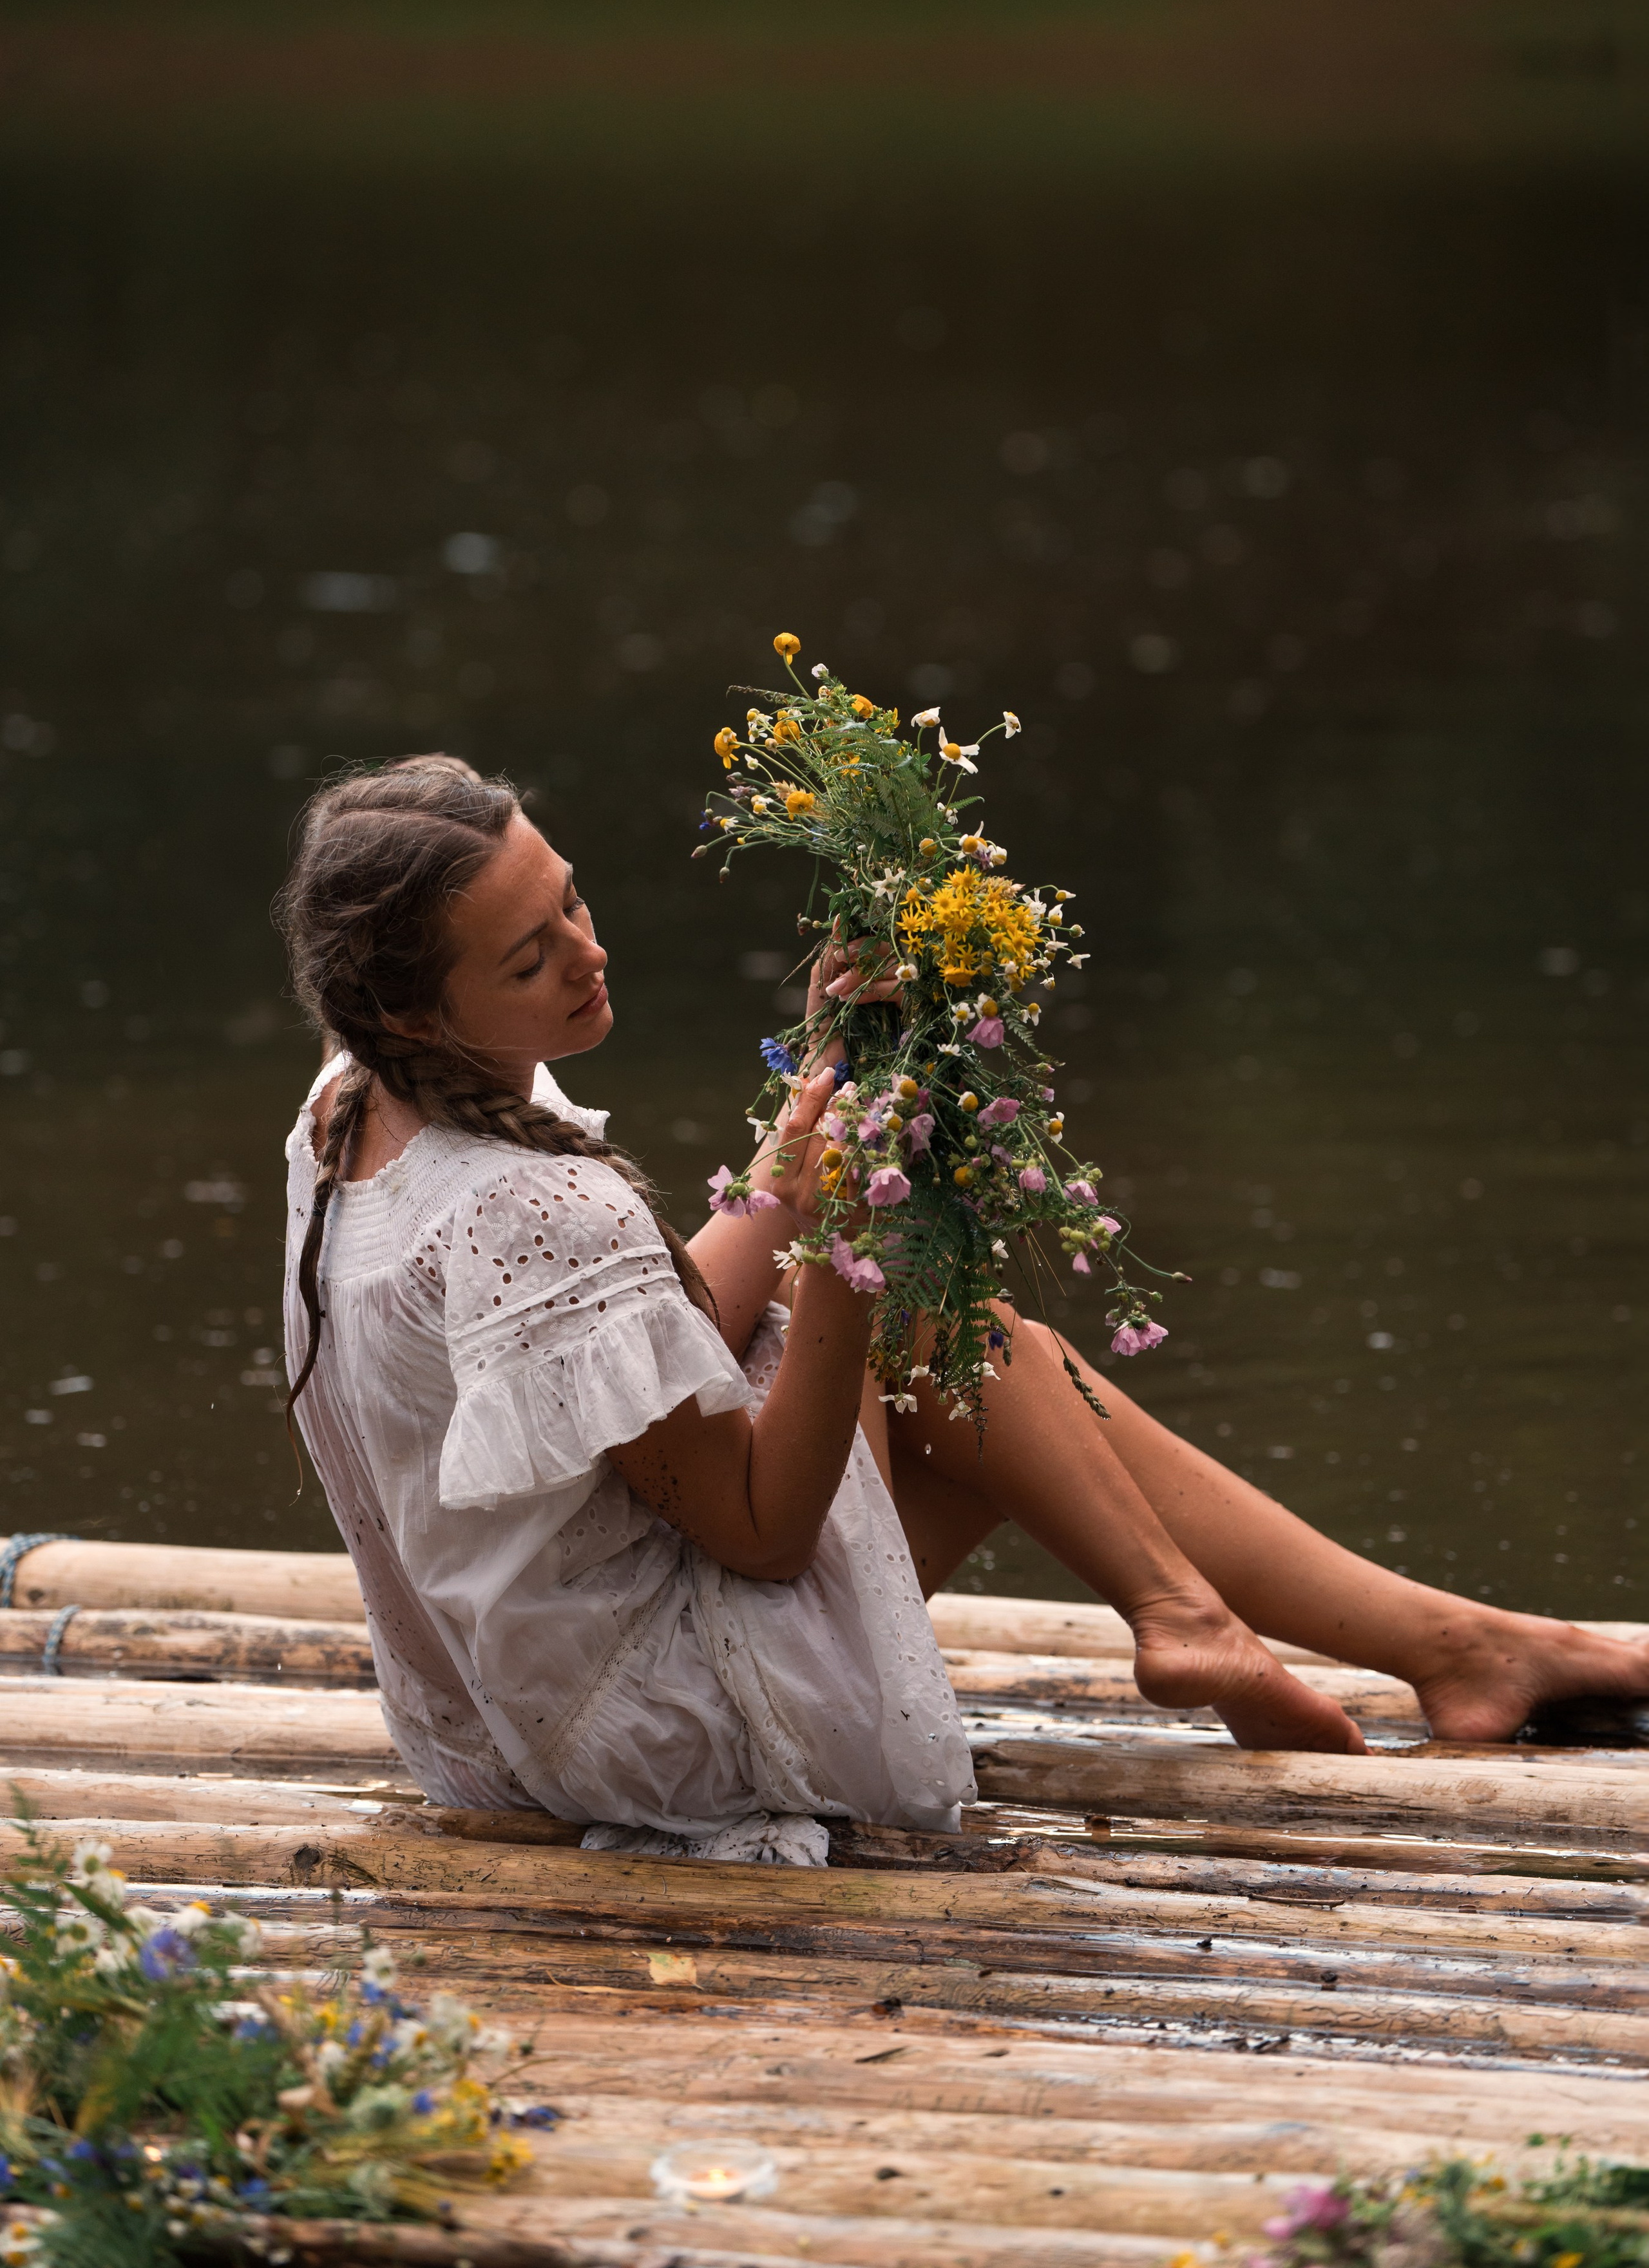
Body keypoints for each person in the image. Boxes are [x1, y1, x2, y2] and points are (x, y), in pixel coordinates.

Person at [277, 755, 1649, 1864]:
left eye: (570, 900)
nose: (587, 950)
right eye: (531, 955)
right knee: (955, 1340)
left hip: (487, 1711)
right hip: (656, 1747)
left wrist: (816, 1089)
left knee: (980, 1353)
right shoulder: (527, 1203)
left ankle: (1384, 1638)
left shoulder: (352, 1109)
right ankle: (1291, 1627)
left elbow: (653, 1321)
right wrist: (838, 1242)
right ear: (413, 1007)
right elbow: (759, 1533)